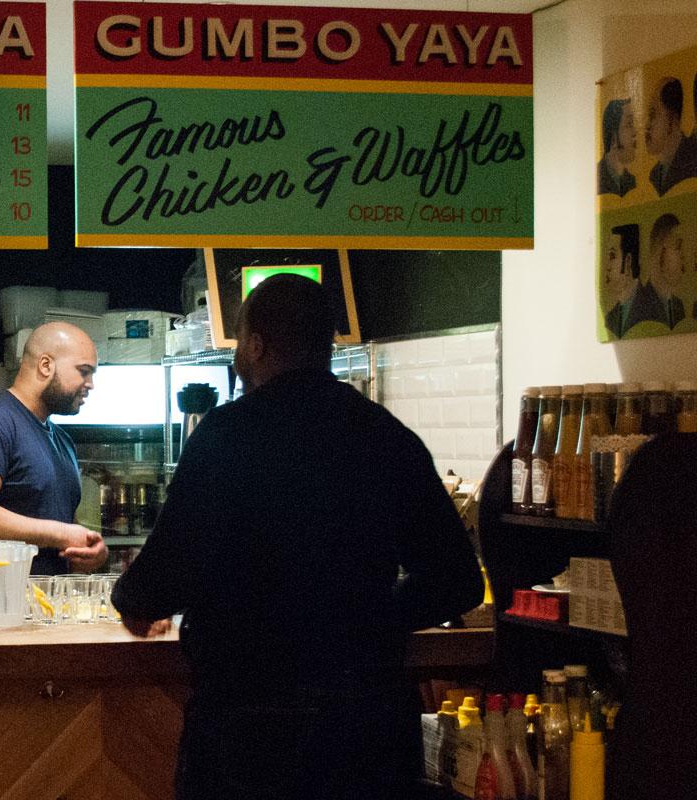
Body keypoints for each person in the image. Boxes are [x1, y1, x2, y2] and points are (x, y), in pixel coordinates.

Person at [111, 274, 483, 800]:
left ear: (257, 345)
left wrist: (130, 597)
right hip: (364, 729)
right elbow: (457, 581)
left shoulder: (223, 436)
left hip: (247, 732)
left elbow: (160, 582)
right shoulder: (386, 436)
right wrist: (372, 616)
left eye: (241, 344)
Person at [0, 322, 107, 621]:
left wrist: (87, 553)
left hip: (33, 616)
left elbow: (59, 524)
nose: (92, 384)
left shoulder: (61, 440)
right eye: (84, 371)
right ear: (45, 365)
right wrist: (61, 534)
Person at [646, 77, 697, 196]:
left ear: (673, 119)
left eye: (653, 114)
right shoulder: (654, 175)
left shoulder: (692, 163)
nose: (647, 125)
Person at [649, 213, 688, 328]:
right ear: (661, 248)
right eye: (678, 246)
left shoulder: (679, 307)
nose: (683, 255)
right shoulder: (639, 306)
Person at [603, 223, 640, 339]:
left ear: (628, 261)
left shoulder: (652, 308)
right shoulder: (610, 318)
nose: (607, 266)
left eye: (612, 256)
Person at [597, 98, 638, 196]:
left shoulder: (632, 182)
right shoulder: (595, 179)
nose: (634, 132)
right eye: (629, 124)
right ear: (613, 138)